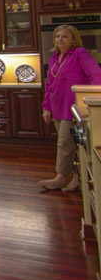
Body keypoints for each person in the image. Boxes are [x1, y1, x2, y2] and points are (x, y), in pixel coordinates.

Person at [40, 25, 101, 191]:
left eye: (65, 36)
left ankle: (60, 177)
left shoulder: (80, 54)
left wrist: (90, 101)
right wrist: (47, 107)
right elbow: (50, 85)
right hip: (57, 109)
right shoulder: (54, 58)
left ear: (73, 39)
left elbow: (97, 76)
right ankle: (77, 179)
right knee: (75, 143)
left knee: (65, 143)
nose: (60, 39)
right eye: (57, 36)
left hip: (73, 111)